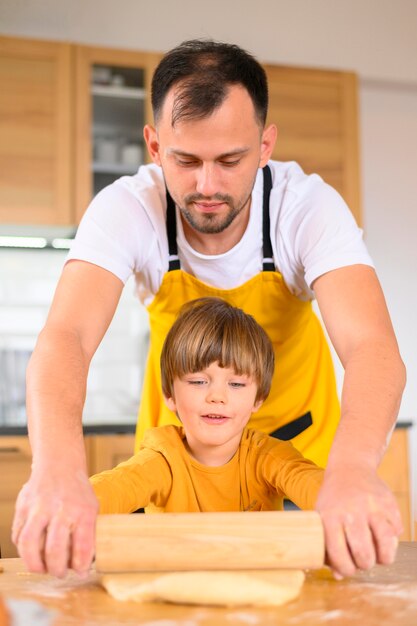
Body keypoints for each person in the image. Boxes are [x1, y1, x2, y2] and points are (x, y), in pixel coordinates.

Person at [13, 39, 405, 580]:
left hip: (295, 454)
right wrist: (57, 469)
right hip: (180, 460)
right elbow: (68, 337)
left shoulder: (306, 208)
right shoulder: (128, 210)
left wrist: (355, 469)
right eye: (185, 160)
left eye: (230, 160)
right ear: (153, 146)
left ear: (265, 146)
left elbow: (371, 347)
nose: (206, 186)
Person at [90, 298, 324, 514]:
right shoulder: (162, 460)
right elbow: (115, 488)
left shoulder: (269, 458)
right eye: (199, 381)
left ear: (259, 398)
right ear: (170, 394)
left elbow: (315, 487)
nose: (217, 396)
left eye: (236, 383)